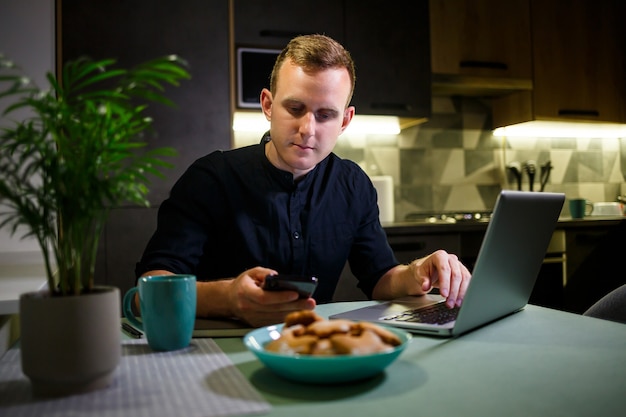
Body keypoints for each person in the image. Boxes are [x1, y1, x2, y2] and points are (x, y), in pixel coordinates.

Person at [135, 34, 471, 327]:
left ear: (345, 120)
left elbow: (380, 277)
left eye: (325, 115)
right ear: (267, 104)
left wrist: (417, 273)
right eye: (295, 108)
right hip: (216, 347)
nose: (308, 129)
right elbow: (147, 291)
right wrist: (226, 297)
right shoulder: (211, 178)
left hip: (311, 346)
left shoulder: (353, 185)